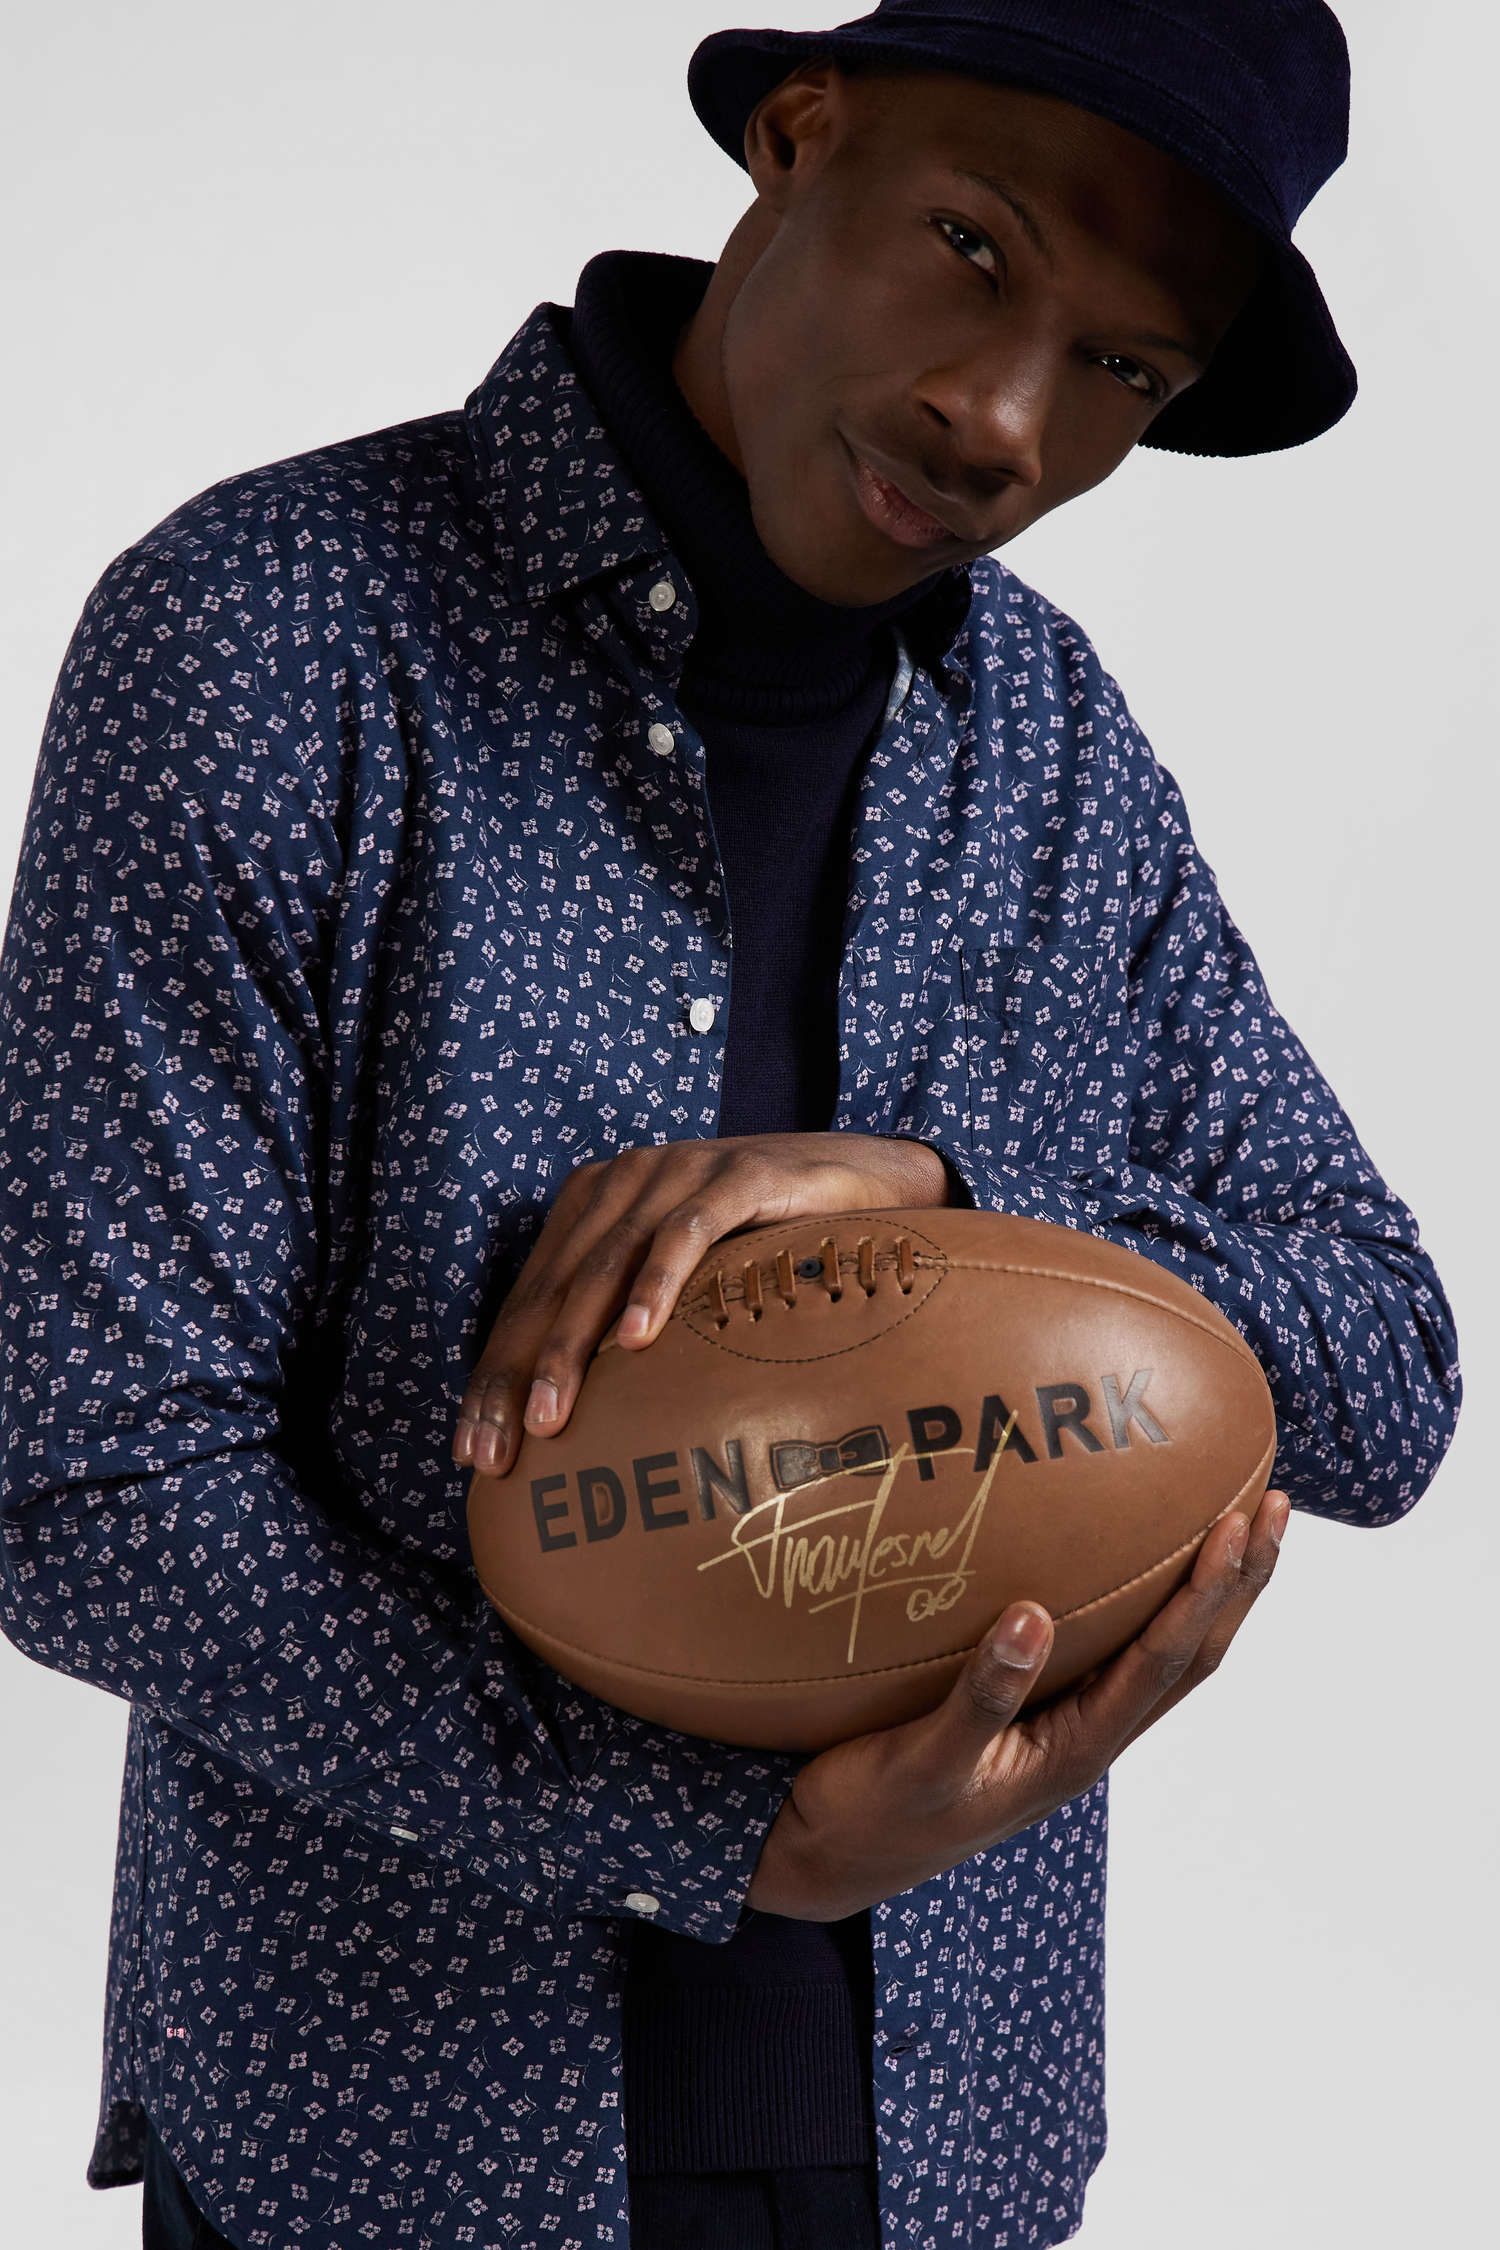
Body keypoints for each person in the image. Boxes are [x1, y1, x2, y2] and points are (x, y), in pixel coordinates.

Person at [0, 3, 1462, 2248]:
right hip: (388, 2152)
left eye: (1121, 369)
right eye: (973, 248)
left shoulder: (1050, 751)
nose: (1003, 421)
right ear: (798, 134)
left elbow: (1384, 1370)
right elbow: (82, 1480)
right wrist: (710, 1836)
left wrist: (953, 1201)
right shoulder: (270, 641)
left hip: (947, 2158)